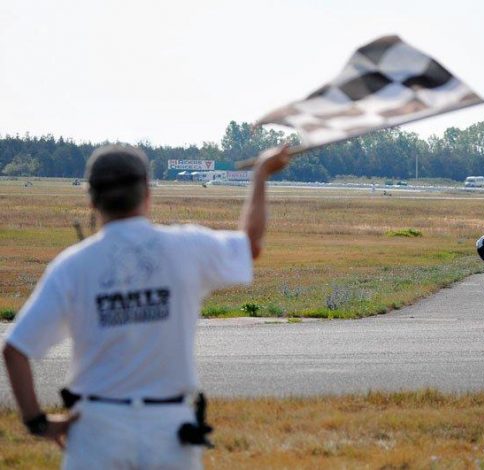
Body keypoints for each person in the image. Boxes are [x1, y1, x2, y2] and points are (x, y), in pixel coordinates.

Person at [2, 144, 290, 469]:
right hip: (168, 431)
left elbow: (15, 349)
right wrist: (261, 175)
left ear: (91, 199)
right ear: (147, 193)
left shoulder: (71, 266)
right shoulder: (186, 246)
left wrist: (36, 422)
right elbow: (249, 244)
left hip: (97, 430)